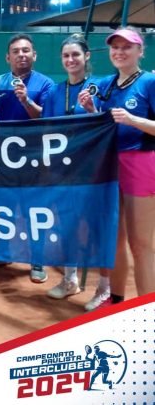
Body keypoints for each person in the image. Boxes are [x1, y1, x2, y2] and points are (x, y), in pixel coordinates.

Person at [79, 27, 155, 306]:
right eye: (115, 47)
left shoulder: (149, 82)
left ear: (140, 51)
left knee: (141, 244)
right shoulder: (106, 84)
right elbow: (105, 124)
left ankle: (146, 311)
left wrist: (133, 120)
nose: (119, 52)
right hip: (110, 165)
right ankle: (117, 301)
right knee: (114, 238)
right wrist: (91, 110)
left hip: (140, 163)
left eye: (127, 47)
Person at [42, 34, 111, 310]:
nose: (70, 60)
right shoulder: (55, 92)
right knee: (67, 224)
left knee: (96, 226)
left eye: (75, 55)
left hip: (94, 169)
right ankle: (70, 279)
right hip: (63, 169)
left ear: (86, 56)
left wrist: (93, 109)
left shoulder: (101, 86)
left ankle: (104, 288)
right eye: (66, 55)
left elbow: (108, 123)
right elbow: (46, 129)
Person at [0, 33, 54, 283]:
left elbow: (45, 118)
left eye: (26, 50)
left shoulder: (46, 85)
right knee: (3, 207)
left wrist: (26, 100)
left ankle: (37, 259)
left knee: (34, 210)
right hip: (3, 158)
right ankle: (2, 252)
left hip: (34, 159)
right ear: (8, 57)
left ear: (34, 55)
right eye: (16, 51)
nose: (21, 55)